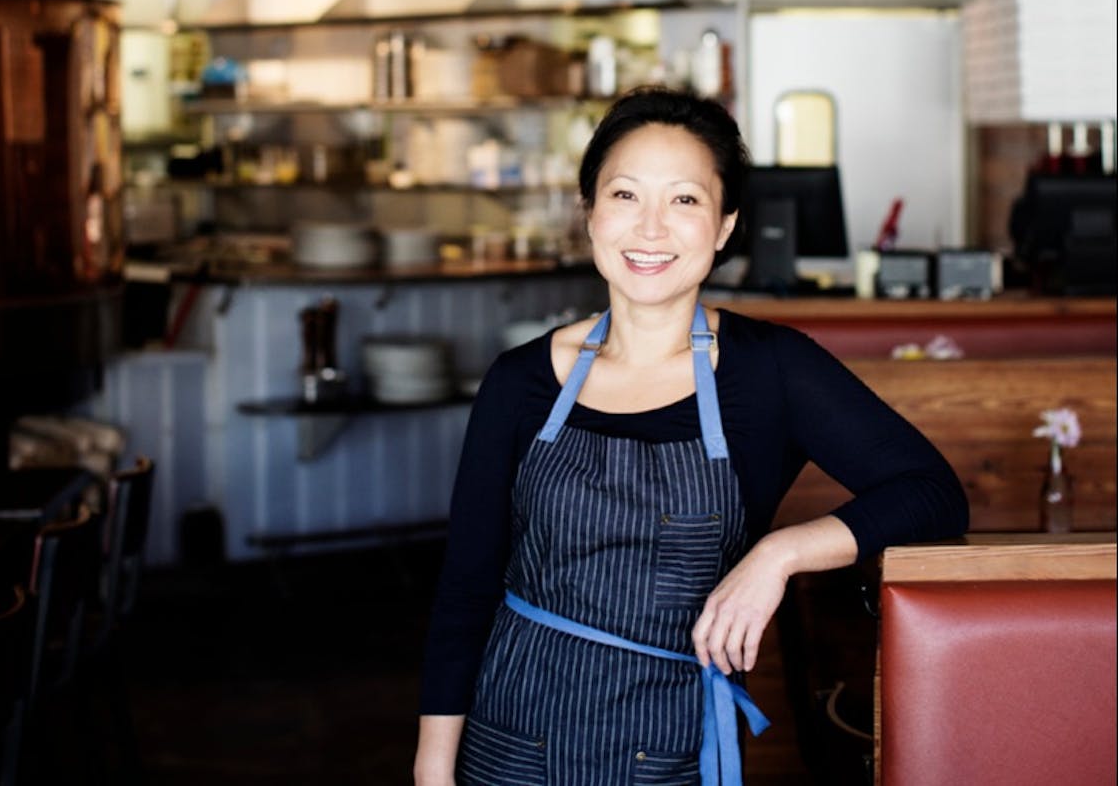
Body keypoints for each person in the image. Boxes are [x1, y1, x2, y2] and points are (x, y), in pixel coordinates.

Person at [413, 87, 968, 785]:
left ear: (725, 225)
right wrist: (433, 768)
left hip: (676, 752)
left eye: (684, 200)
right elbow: (466, 589)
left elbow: (933, 494)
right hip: (515, 744)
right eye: (624, 196)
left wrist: (779, 554)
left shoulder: (774, 369)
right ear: (588, 213)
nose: (650, 229)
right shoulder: (520, 381)